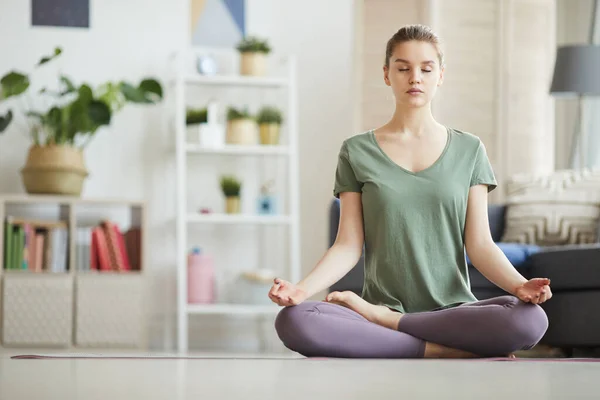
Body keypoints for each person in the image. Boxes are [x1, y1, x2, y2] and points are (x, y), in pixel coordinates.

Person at [268, 24, 551, 359]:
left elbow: (480, 245)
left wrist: (519, 286)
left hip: (451, 311)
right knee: (296, 321)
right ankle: (442, 350)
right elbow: (347, 245)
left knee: (530, 321)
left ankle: (393, 326)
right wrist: (301, 290)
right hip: (377, 305)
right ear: (387, 75)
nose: (414, 77)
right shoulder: (356, 151)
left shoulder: (470, 149)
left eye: (426, 69)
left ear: (440, 75)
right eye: (403, 68)